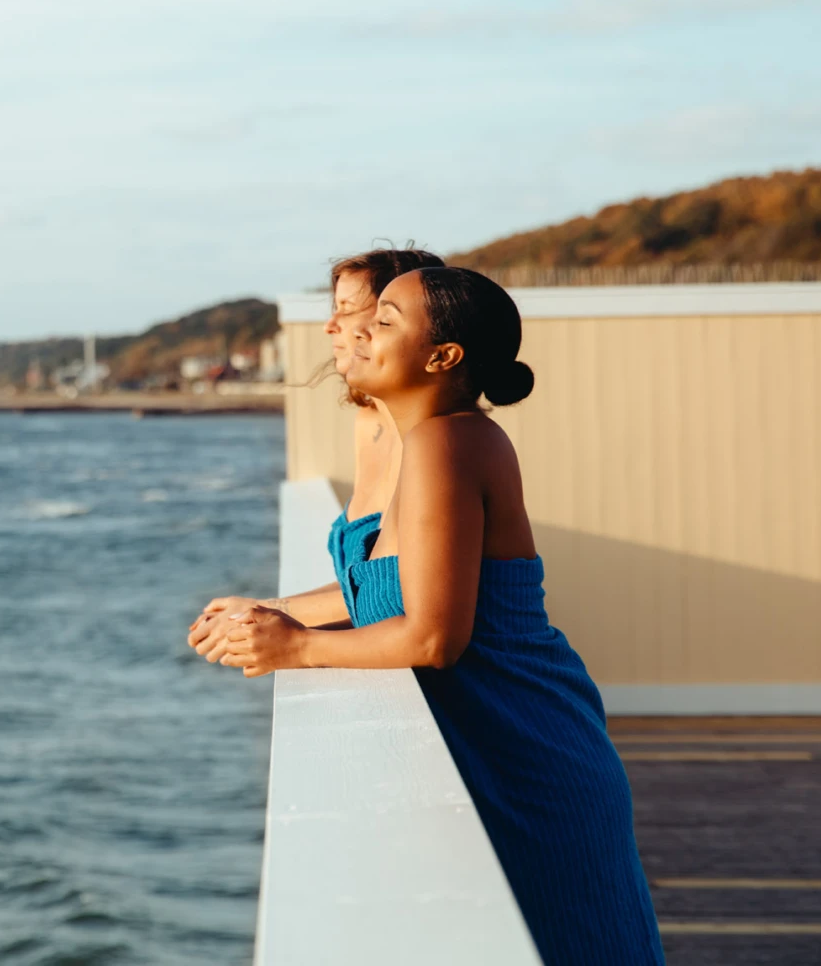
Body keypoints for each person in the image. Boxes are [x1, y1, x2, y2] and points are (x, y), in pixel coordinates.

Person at [198, 266, 663, 965]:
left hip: (528, 756)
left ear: (443, 357)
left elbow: (434, 636)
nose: (360, 331)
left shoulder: (450, 443)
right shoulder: (434, 443)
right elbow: (393, 593)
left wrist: (293, 649)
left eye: (384, 320)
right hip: (502, 744)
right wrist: (273, 612)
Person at [187, 247, 441, 653]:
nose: (331, 326)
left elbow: (415, 600)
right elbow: (370, 585)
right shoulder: (371, 424)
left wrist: (288, 632)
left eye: (346, 308)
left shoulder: (433, 443)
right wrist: (260, 610)